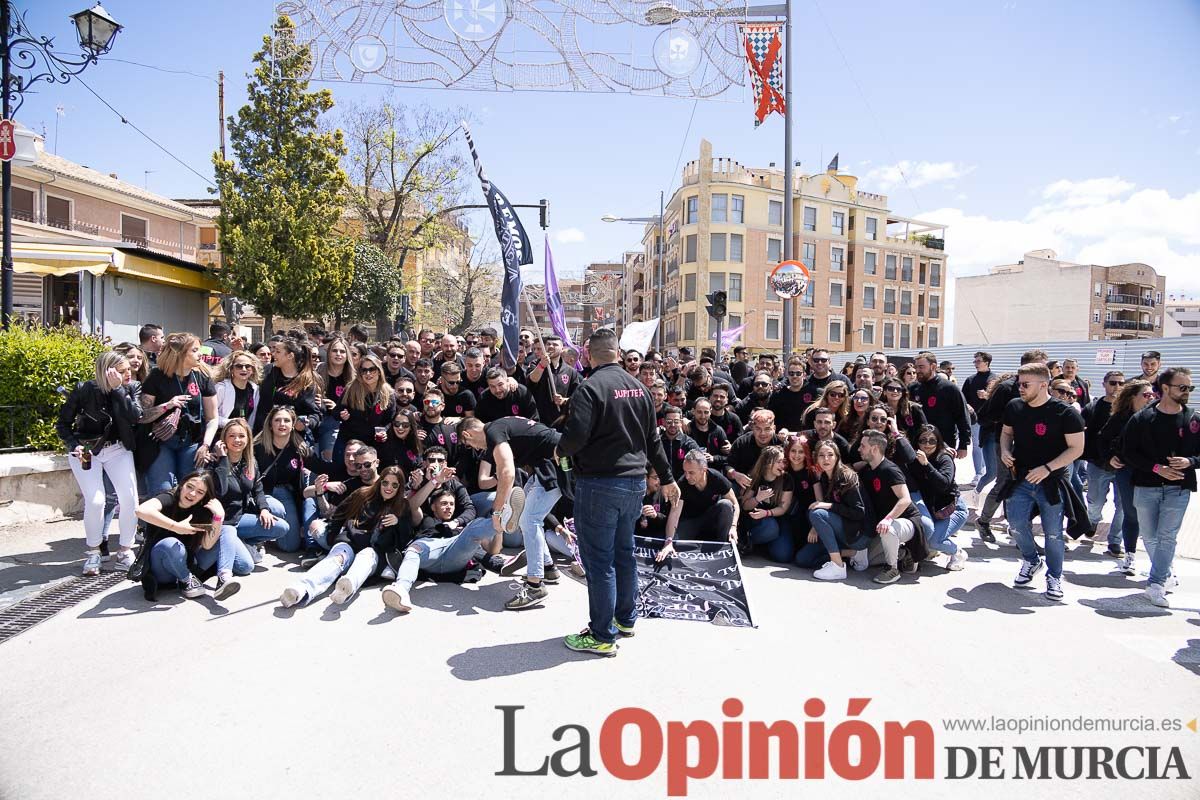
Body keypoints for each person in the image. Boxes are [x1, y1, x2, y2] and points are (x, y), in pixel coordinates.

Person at [555, 328, 678, 657]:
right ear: (618, 353)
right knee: (624, 552)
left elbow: (575, 436)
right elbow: (654, 440)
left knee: (599, 562)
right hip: (634, 483)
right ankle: (625, 619)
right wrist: (667, 477)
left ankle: (601, 635)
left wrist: (561, 450)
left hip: (599, 484)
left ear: (588, 353)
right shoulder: (639, 388)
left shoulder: (589, 387)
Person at [459, 416, 573, 610]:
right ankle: (547, 568)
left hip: (558, 461)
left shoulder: (493, 431)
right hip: (547, 464)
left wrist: (497, 511)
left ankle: (535, 586)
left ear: (467, 434)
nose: (476, 449)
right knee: (527, 518)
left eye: (469, 444)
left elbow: (507, 473)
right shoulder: (500, 425)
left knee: (530, 520)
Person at [999, 363, 1085, 602]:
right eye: (1019, 383)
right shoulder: (1014, 407)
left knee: (1054, 533)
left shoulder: (1065, 413)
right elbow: (1006, 432)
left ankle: (1054, 576)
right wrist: (1005, 450)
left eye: (1025, 384)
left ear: (1044, 384)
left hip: (1052, 481)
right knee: (1015, 524)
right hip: (1021, 478)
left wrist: (1048, 468)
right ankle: (1031, 560)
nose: (1020, 388)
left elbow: (1077, 448)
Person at [56, 351, 142, 575]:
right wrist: (73, 445)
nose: (128, 374)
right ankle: (94, 551)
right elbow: (63, 424)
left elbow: (135, 416)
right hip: (87, 450)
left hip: (118, 449)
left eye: (128, 370)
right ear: (107, 372)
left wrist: (118, 391)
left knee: (129, 499)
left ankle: (125, 550)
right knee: (95, 501)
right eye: (122, 371)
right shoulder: (84, 389)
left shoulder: (131, 389)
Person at [280, 466, 411, 608]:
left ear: (400, 487)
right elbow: (339, 515)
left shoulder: (402, 506)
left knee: (366, 556)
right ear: (380, 482)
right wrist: (331, 537)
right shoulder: (363, 494)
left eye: (394, 485)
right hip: (350, 541)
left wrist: (398, 522)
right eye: (385, 482)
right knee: (337, 558)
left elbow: (405, 539)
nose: (389, 488)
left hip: (374, 552)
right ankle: (301, 589)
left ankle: (345, 588)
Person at [1121, 367, 1198, 608]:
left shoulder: (1194, 419)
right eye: (1182, 387)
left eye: (1190, 388)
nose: (1187, 392)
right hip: (1146, 486)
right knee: (1150, 536)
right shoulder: (1142, 418)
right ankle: (1166, 570)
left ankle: (1155, 583)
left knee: (1167, 537)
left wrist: (1190, 462)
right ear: (1165, 388)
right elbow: (1127, 452)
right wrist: (1156, 468)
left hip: (1179, 488)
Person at [135, 471, 251, 602]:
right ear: (182, 485)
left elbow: (207, 545)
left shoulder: (202, 510)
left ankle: (224, 577)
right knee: (170, 543)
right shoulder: (169, 498)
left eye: (200, 492)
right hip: (163, 570)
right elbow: (141, 510)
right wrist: (176, 527)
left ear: (204, 497)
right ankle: (187, 579)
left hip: (189, 562)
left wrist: (219, 516)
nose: (192, 494)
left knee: (227, 530)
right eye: (189, 487)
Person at [379, 484, 495, 614]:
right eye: (444, 503)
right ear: (433, 506)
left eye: (452, 504)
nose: (449, 507)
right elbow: (414, 506)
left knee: (473, 527)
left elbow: (483, 551)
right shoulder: (424, 518)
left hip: (454, 558)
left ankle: (501, 521)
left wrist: (496, 561)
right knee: (414, 549)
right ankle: (401, 590)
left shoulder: (459, 528)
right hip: (428, 555)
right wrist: (434, 481)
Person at [140, 332, 220, 494]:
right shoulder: (157, 376)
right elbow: (142, 416)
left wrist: (205, 445)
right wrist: (167, 406)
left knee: (191, 490)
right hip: (161, 441)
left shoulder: (202, 377)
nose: (201, 354)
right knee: (162, 490)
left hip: (192, 442)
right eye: (195, 350)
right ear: (181, 353)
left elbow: (212, 418)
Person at [212, 418, 289, 563]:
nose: (237, 440)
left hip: (240, 518)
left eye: (241, 436)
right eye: (232, 436)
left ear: (248, 439)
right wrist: (222, 459)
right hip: (223, 523)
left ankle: (243, 542)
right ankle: (233, 545)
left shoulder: (250, 462)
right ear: (223, 440)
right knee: (245, 566)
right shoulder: (214, 462)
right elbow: (220, 491)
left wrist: (264, 509)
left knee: (281, 527)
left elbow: (257, 489)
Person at [856, 429, 927, 585]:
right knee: (866, 561)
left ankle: (892, 569)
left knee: (888, 529)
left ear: (874, 449)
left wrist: (888, 519)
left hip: (907, 521)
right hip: (884, 525)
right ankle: (904, 553)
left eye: (863, 446)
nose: (859, 449)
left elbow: (905, 499)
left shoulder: (890, 470)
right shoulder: (867, 471)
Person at [1097, 379, 1153, 576]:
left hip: (1152, 473)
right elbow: (1102, 439)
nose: (1150, 398)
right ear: (1132, 398)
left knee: (1152, 518)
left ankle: (1161, 563)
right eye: (1146, 395)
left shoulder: (1156, 416)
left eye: (1152, 395)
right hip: (1127, 471)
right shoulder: (1120, 417)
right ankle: (1129, 555)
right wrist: (1109, 458)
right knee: (1131, 513)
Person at [254, 407, 319, 554]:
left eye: (286, 420)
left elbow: (321, 467)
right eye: (277, 420)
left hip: (284, 493)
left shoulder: (299, 448)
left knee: (290, 546)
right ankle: (257, 537)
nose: (282, 424)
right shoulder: (257, 447)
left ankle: (271, 530)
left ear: (293, 424)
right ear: (270, 424)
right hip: (260, 492)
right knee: (278, 509)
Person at [801, 440, 867, 579]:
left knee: (817, 512)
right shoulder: (825, 476)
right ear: (816, 458)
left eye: (830, 455)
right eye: (821, 455)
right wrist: (815, 526)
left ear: (837, 457)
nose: (826, 459)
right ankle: (854, 553)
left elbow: (859, 512)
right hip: (842, 529)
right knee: (803, 559)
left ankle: (838, 566)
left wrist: (829, 506)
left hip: (858, 534)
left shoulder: (847, 477)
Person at [659, 451, 739, 556]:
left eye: (691, 473)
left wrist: (733, 527)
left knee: (726, 504)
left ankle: (723, 544)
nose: (687, 476)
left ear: (704, 470)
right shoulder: (682, 484)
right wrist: (669, 541)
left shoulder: (717, 478)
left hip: (710, 519)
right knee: (675, 545)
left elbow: (735, 505)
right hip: (690, 522)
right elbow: (674, 514)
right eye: (685, 472)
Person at [911, 425, 969, 570]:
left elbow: (943, 483)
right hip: (931, 508)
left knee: (934, 541)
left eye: (932, 441)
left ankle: (958, 552)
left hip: (952, 509)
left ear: (938, 442)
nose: (927, 444)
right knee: (926, 532)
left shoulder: (944, 458)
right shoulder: (913, 459)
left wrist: (926, 464)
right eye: (923, 440)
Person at [1083, 371, 1126, 556]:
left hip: (1124, 467)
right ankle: (1093, 520)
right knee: (1095, 501)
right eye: (1113, 383)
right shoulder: (1093, 407)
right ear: (1104, 384)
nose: (1117, 387)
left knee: (1123, 506)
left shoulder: (1128, 410)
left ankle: (1115, 541)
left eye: (1120, 383)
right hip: (1098, 464)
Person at [253, 337, 321, 449]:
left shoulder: (306, 381)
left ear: (290, 356)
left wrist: (305, 424)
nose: (273, 354)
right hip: (263, 437)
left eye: (278, 351)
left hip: (291, 440)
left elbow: (315, 414)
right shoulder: (268, 372)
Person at [333, 353, 396, 460]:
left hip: (374, 443)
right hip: (350, 440)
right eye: (364, 370)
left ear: (379, 371)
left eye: (372, 369)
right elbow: (336, 412)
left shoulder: (388, 393)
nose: (368, 373)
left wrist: (384, 431)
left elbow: (390, 420)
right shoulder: (351, 388)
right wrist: (341, 415)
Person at [909, 351, 970, 459]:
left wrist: (963, 444)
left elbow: (962, 416)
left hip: (944, 444)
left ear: (933, 367)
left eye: (921, 367)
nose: (917, 371)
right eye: (916, 367)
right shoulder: (913, 389)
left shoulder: (949, 388)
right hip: (918, 444)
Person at [739, 445, 795, 562]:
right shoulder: (755, 477)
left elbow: (783, 508)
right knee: (771, 528)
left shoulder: (786, 478)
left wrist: (767, 513)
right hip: (757, 520)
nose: (782, 465)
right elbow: (744, 505)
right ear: (768, 463)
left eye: (783, 462)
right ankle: (746, 541)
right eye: (779, 462)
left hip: (777, 517)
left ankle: (762, 544)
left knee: (783, 555)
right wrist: (758, 499)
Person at [316, 335, 355, 461]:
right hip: (316, 420)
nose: (338, 354)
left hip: (338, 424)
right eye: (334, 351)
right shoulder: (319, 371)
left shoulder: (353, 378)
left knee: (329, 458)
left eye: (342, 351)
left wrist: (336, 408)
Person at [961, 351, 994, 488]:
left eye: (978, 361)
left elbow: (999, 399)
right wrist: (967, 406)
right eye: (975, 361)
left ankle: (988, 471)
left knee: (988, 446)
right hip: (975, 418)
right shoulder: (970, 380)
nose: (975, 364)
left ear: (986, 362)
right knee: (976, 445)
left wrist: (987, 395)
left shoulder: (994, 379)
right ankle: (979, 473)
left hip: (990, 419)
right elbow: (963, 398)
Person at [213, 350, 261, 429]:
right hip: (221, 434)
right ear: (231, 369)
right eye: (239, 366)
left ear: (253, 370)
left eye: (248, 366)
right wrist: (229, 422)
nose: (244, 369)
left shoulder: (254, 389)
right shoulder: (221, 388)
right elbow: (210, 416)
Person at [379, 407, 424, 475]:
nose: (400, 428)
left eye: (405, 425)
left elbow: (419, 465)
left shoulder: (416, 443)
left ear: (411, 427)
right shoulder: (385, 444)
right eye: (397, 424)